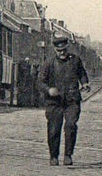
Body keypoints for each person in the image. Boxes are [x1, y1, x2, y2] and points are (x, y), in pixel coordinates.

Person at [38, 35, 90, 166]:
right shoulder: (48, 63)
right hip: (54, 102)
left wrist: (85, 83)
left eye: (64, 50)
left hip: (71, 100)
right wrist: (49, 90)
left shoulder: (75, 61)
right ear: (55, 50)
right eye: (59, 51)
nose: (62, 53)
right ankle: (53, 156)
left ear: (67, 48)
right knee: (54, 129)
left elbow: (82, 74)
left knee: (71, 126)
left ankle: (68, 155)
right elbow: (40, 82)